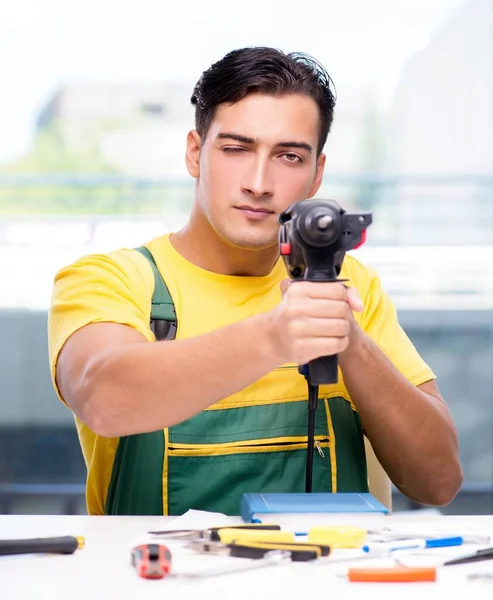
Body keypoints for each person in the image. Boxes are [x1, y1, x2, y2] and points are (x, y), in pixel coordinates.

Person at [48, 46, 462, 516]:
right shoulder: (112, 279)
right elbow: (104, 399)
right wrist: (276, 335)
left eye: (288, 156)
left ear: (316, 174)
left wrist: (349, 342)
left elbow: (438, 480)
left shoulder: (351, 286)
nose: (259, 182)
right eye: (237, 149)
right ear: (194, 153)